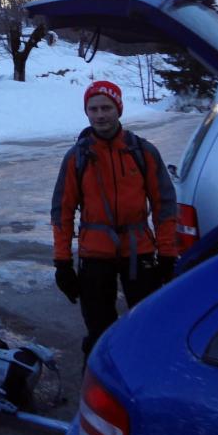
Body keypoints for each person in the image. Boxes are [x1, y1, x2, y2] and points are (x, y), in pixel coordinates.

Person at [50, 80, 178, 361]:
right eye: (93, 109)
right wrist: (62, 263)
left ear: (118, 109)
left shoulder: (142, 152)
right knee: (99, 330)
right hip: (95, 255)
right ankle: (98, 387)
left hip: (139, 251)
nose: (100, 115)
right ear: (87, 113)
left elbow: (164, 205)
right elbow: (62, 211)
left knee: (145, 326)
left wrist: (167, 253)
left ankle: (142, 379)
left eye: (106, 107)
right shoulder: (77, 157)